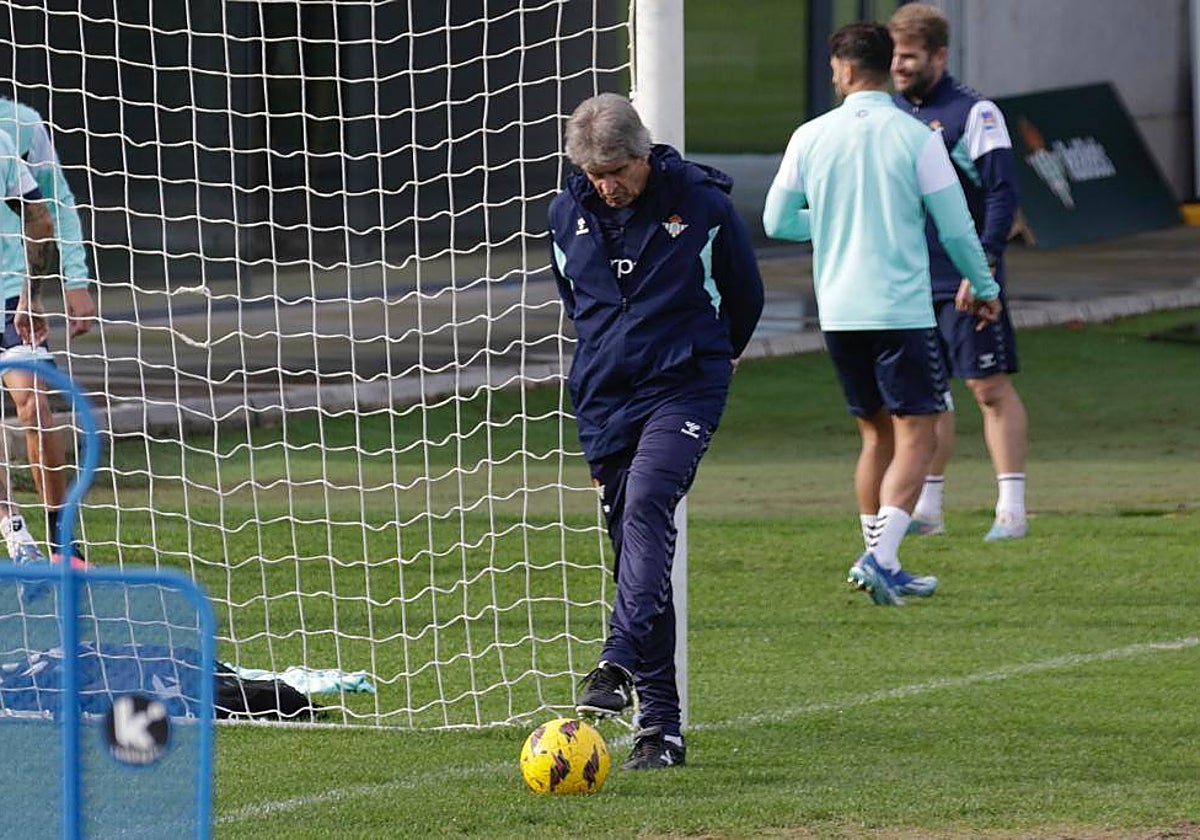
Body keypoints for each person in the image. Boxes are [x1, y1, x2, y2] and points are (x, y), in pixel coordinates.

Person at [549, 93, 763, 768]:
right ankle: (659, 731)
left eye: (617, 171)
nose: (607, 186)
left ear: (643, 155)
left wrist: (715, 356)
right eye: (594, 175)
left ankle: (613, 664)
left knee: (648, 504)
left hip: (684, 387)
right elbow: (577, 304)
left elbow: (745, 293)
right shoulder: (564, 216)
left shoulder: (702, 206)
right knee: (638, 554)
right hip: (606, 401)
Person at [762, 22, 1000, 605]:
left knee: (874, 435)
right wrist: (987, 283)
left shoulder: (809, 135)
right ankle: (882, 555)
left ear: (841, 70)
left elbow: (776, 221)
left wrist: (838, 219)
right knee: (919, 433)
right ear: (886, 64)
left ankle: (878, 559)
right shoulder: (917, 136)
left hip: (840, 310)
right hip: (900, 308)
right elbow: (956, 226)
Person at [889, 4, 1029, 542]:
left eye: (909, 56)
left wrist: (985, 262)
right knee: (928, 395)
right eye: (894, 56)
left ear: (939, 56)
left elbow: (1002, 193)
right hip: (908, 279)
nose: (899, 66)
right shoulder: (889, 113)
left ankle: (1011, 511)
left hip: (965, 276)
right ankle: (929, 509)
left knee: (987, 387)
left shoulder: (976, 113)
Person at [0, 96, 96, 565]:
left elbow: (51, 203)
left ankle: (63, 542)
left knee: (35, 404)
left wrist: (72, 279)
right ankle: (14, 533)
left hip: (11, 293)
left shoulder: (18, 129)